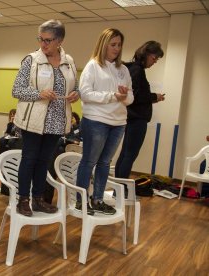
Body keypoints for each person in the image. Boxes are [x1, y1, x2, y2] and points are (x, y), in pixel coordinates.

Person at [12, 19, 79, 217]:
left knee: (44, 161)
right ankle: (23, 200)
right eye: (40, 39)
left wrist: (76, 93)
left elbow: (74, 86)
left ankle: (39, 199)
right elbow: (16, 90)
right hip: (33, 120)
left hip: (57, 120)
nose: (43, 44)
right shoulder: (31, 60)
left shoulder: (70, 61)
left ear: (60, 40)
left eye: (48, 40)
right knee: (29, 159)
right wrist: (39, 94)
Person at [76, 28, 134, 216]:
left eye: (119, 45)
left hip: (118, 123)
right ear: (104, 44)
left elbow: (131, 98)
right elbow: (84, 94)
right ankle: (81, 201)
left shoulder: (123, 69)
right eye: (113, 44)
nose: (117, 49)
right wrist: (112, 96)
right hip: (96, 121)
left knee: (105, 163)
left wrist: (124, 96)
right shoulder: (93, 66)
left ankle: (98, 199)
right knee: (89, 161)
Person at [115, 41, 165, 178]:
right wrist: (155, 96)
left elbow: (135, 96)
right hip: (137, 119)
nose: (154, 62)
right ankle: (121, 188)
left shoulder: (132, 69)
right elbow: (136, 96)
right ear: (146, 54)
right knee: (129, 154)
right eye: (154, 58)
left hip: (132, 117)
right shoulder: (137, 70)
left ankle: (119, 189)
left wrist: (152, 98)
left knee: (126, 153)